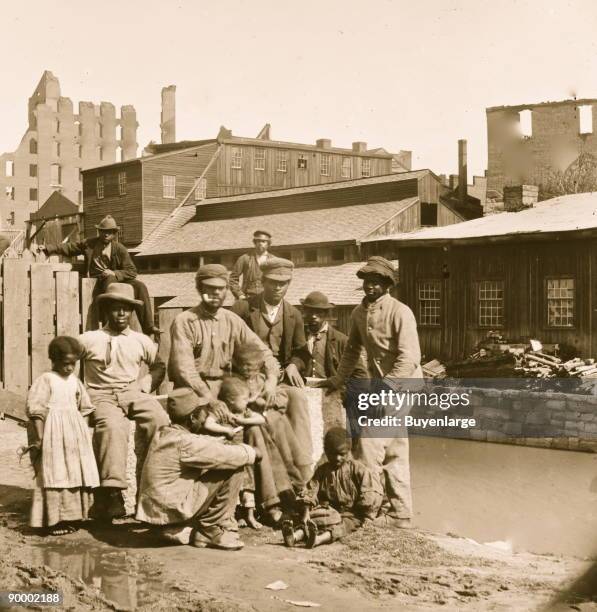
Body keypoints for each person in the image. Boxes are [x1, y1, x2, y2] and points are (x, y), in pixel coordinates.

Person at [168, 264, 297, 524]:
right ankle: (260, 504)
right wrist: (211, 401)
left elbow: (265, 354)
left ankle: (275, 499)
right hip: (194, 392)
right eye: (209, 289)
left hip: (226, 389)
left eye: (221, 289)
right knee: (228, 428)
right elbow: (185, 371)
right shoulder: (184, 322)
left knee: (260, 425)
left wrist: (272, 380)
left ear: (228, 291)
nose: (216, 294)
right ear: (199, 289)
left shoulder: (232, 320)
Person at [314, 256, 423, 529]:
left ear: (387, 285)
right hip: (383, 385)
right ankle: (400, 513)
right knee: (395, 448)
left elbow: (409, 357)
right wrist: (337, 379)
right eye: (367, 282)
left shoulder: (400, 312)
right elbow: (352, 350)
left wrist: (383, 393)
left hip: (403, 384)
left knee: (370, 443)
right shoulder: (358, 313)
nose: (370, 287)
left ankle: (367, 511)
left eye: (376, 283)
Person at [78, 283, 168, 520]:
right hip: (100, 394)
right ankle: (113, 492)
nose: (121, 314)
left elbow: (159, 367)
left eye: (126, 310)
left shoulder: (140, 340)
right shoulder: (89, 339)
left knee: (159, 420)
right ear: (106, 310)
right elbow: (66, 363)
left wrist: (145, 383)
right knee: (111, 426)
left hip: (132, 392)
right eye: (116, 309)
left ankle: (156, 484)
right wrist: (77, 393)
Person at [136, 387, 260, 551]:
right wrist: (252, 452)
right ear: (193, 418)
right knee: (234, 464)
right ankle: (209, 529)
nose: (206, 418)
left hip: (158, 513)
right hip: (171, 511)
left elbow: (201, 443)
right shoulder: (185, 443)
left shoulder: (165, 433)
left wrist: (221, 440)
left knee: (225, 458)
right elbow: (224, 455)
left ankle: (188, 528)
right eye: (204, 413)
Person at [230, 257, 313, 470]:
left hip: (281, 377)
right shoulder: (242, 308)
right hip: (248, 377)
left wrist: (294, 364)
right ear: (263, 281)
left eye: (283, 283)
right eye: (273, 282)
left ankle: (303, 467)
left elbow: (302, 353)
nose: (277, 288)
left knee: (299, 398)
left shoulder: (293, 314)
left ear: (288, 285)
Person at [24, 336, 100, 535]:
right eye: (65, 363)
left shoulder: (75, 381)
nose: (69, 368)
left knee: (75, 472)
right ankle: (55, 520)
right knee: (55, 473)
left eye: (73, 364)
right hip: (53, 434)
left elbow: (84, 408)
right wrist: (40, 438)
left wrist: (83, 436)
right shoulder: (46, 380)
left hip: (74, 435)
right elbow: (36, 411)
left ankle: (75, 516)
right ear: (54, 360)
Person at [39, 215, 159, 337]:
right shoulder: (89, 244)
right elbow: (70, 247)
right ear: (99, 232)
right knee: (109, 280)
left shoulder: (119, 249)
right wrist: (48, 248)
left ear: (114, 234)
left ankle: (149, 326)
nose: (106, 235)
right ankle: (110, 324)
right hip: (96, 281)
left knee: (140, 286)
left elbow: (132, 271)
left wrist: (115, 273)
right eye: (103, 232)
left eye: (109, 232)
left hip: (115, 279)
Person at [282, 428, 383, 548]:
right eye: (333, 454)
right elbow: (311, 490)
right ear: (326, 451)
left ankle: (318, 540)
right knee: (314, 520)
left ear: (349, 451)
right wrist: (306, 512)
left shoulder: (358, 469)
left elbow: (369, 492)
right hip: (328, 510)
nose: (337, 458)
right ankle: (294, 536)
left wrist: (366, 516)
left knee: (343, 526)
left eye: (342, 454)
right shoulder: (322, 470)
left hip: (350, 514)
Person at [203, 376, 266, 530]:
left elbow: (261, 419)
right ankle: (232, 515)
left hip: (242, 455)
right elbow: (208, 423)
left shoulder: (243, 412)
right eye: (244, 399)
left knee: (248, 483)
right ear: (231, 400)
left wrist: (244, 421)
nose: (248, 402)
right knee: (231, 486)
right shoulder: (222, 410)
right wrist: (225, 430)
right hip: (227, 456)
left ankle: (249, 515)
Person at [300, 291, 368, 380]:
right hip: (303, 390)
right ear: (304, 313)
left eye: (318, 312)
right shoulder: (299, 337)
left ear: (326, 314)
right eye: (310, 311)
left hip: (331, 390)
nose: (313, 316)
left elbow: (360, 374)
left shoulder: (341, 340)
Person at [229, 230, 276, 300]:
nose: (260, 243)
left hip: (267, 299)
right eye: (258, 241)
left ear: (268, 243)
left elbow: (279, 280)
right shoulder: (244, 258)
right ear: (254, 243)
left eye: (263, 241)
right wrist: (239, 295)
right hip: (247, 297)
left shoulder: (274, 260)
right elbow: (233, 279)